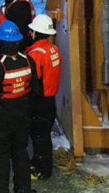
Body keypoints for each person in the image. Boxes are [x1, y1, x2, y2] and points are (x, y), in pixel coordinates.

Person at [0, 20, 38, 193]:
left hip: (1, 121)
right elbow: (35, 90)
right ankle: (23, 189)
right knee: (20, 153)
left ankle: (0, 189)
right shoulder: (28, 61)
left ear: (0, 42)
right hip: (22, 118)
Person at [25, 14, 61, 180]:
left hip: (39, 101)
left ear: (35, 33)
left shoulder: (36, 54)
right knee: (44, 134)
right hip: (50, 99)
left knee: (40, 136)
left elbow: (33, 78)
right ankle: (39, 162)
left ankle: (42, 170)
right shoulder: (53, 49)